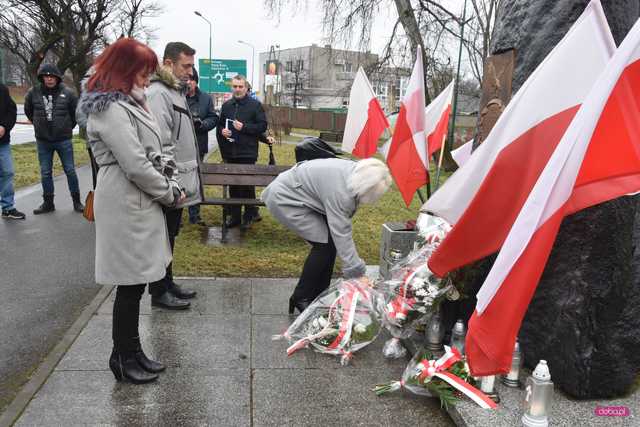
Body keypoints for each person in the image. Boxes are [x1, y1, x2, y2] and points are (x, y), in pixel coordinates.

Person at [80, 37, 183, 384]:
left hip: (137, 199)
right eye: (142, 71)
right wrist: (168, 193)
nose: (147, 78)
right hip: (126, 200)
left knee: (137, 281)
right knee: (128, 283)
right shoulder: (110, 108)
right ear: (124, 70)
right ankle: (122, 356)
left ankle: (133, 351)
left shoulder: (129, 102)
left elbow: (148, 152)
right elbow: (135, 163)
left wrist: (166, 173)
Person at [261, 157, 392, 313]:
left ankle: (320, 294)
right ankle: (300, 297)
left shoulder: (355, 172)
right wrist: (357, 272)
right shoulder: (341, 192)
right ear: (366, 187)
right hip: (285, 198)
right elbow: (342, 233)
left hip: (300, 194)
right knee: (323, 246)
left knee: (329, 245)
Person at [146, 41, 202, 309]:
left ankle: (168, 282)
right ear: (168, 63)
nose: (190, 72)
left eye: (192, 66)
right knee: (163, 236)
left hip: (179, 179)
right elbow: (161, 143)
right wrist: (172, 183)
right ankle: (159, 292)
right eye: (186, 65)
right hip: (171, 181)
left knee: (171, 234)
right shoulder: (159, 94)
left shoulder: (174, 91)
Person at [24, 63, 84, 214]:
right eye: (46, 76)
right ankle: (48, 203)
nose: (49, 79)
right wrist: (39, 125)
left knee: (70, 170)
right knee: (45, 172)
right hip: (43, 140)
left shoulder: (68, 93)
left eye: (52, 77)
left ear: (57, 78)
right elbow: (28, 111)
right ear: (42, 78)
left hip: (63, 139)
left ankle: (77, 201)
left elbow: (75, 114)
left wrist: (66, 127)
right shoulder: (33, 92)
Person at [216, 74, 268, 231]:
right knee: (234, 185)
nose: (237, 89)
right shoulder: (226, 106)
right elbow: (219, 126)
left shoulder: (255, 105)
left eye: (240, 87)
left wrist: (244, 128)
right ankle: (235, 217)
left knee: (246, 185)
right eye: (235, 86)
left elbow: (262, 126)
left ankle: (250, 214)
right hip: (230, 152)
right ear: (231, 87)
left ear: (246, 88)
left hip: (247, 152)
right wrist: (222, 131)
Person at [185, 68, 218, 225]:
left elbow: (213, 117)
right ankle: (176, 212)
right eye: (186, 79)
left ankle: (194, 214)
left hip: (199, 144)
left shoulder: (205, 98)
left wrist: (203, 124)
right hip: (180, 145)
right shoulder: (177, 96)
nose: (188, 83)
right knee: (179, 178)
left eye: (191, 80)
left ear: (196, 81)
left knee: (196, 180)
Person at [0, 82, 25, 220]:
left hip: (2, 143)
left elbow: (11, 111)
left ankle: (7, 208)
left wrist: (4, 126)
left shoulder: (2, 89)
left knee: (7, 173)